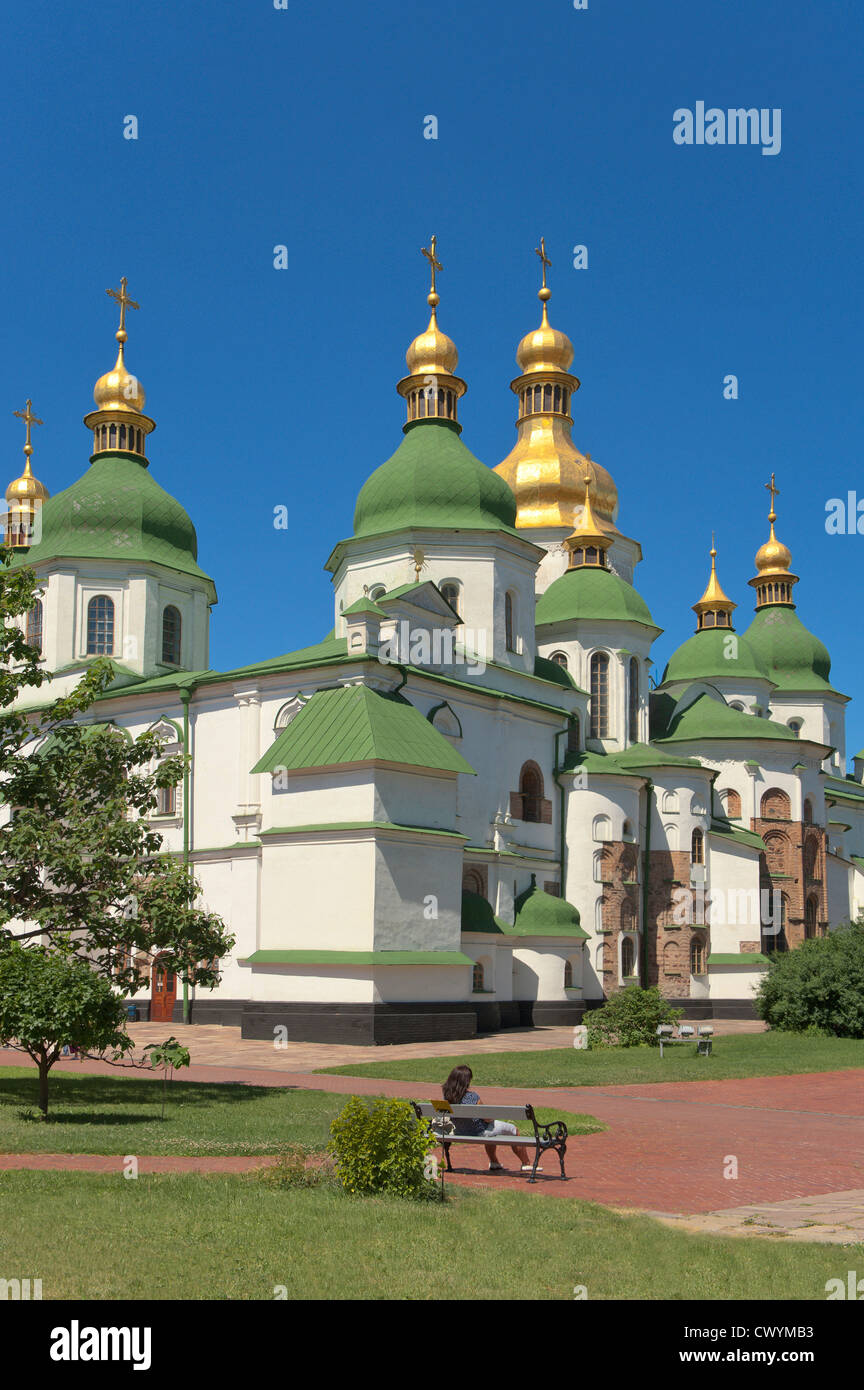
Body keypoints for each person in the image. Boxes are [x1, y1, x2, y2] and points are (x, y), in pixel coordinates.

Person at [442, 1064, 540, 1173]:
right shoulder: (472, 1096)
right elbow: (487, 1118)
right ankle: (526, 1163)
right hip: (479, 1131)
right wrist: (492, 1118)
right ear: (466, 1081)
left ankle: (494, 1162)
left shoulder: (447, 1096)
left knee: (492, 1132)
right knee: (514, 1130)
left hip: (459, 1131)